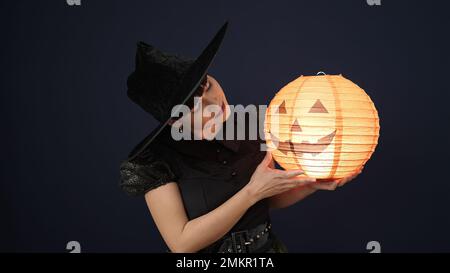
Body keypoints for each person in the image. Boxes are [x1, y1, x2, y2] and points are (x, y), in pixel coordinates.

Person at [119, 22, 360, 253]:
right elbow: (182, 243)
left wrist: (311, 185)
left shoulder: (252, 126)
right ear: (174, 120)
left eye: (207, 85)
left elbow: (268, 199)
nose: (215, 102)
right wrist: (251, 192)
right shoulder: (155, 161)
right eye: (195, 106)